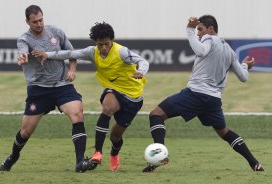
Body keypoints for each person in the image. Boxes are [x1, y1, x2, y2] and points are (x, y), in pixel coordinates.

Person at [142, 15, 264, 172]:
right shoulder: (229, 50)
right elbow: (243, 77)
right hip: (213, 100)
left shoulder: (209, 40)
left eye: (200, 29)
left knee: (156, 114)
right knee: (224, 132)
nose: (199, 33)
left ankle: (158, 158)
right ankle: (255, 163)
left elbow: (200, 51)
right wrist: (245, 65)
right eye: (197, 30)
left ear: (211, 29)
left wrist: (189, 30)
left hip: (196, 94)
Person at [32, 22, 149, 172]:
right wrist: (47, 54)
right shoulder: (92, 52)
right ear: (96, 43)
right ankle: (97, 153)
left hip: (134, 96)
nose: (103, 48)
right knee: (107, 108)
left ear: (112, 40)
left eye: (106, 44)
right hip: (114, 90)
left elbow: (143, 61)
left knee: (115, 137)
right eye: (100, 44)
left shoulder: (122, 52)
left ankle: (114, 153)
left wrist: (141, 72)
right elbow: (70, 54)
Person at [0, 5, 91, 173]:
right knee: (26, 131)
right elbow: (23, 51)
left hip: (62, 86)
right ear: (27, 22)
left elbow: (72, 53)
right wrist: (23, 56)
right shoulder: (24, 40)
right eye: (34, 22)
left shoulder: (56, 32)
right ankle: (13, 156)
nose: (39, 24)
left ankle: (80, 163)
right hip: (38, 90)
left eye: (41, 20)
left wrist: (72, 70)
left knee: (77, 114)